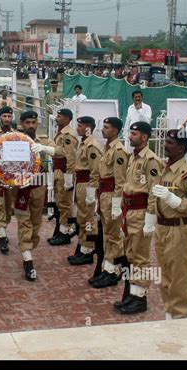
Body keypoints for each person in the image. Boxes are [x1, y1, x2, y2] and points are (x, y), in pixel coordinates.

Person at [152, 129, 187, 319]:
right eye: (166, 141)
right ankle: (170, 312)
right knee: (165, 273)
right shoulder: (166, 168)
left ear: (181, 148)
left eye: (170, 143)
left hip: (179, 229)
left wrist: (175, 201)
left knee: (179, 276)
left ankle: (181, 317)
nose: (165, 145)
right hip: (162, 228)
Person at [114, 122, 162, 315]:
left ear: (144, 137)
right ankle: (133, 295)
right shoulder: (133, 157)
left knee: (140, 257)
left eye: (134, 134)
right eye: (130, 133)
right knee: (131, 255)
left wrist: (150, 220)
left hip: (142, 213)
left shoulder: (151, 160)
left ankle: (140, 298)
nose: (130, 136)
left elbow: (154, 192)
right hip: (129, 211)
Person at [14, 111, 60, 281]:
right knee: (24, 222)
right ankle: (27, 258)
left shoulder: (43, 140)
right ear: (21, 123)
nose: (31, 126)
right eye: (27, 122)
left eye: (33, 122)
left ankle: (28, 248)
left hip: (39, 186)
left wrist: (46, 149)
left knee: (36, 223)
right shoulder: (14, 141)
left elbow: (61, 151)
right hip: (21, 188)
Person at [89, 117, 130, 288]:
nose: (102, 130)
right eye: (103, 126)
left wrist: (116, 205)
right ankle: (107, 268)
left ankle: (113, 272)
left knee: (113, 236)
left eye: (106, 127)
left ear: (115, 130)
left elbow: (120, 181)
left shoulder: (118, 151)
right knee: (107, 234)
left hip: (112, 195)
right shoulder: (107, 148)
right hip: (104, 195)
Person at [68, 116, 103, 266]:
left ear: (88, 128)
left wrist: (91, 192)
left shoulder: (92, 146)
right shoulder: (83, 144)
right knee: (82, 217)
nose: (78, 128)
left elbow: (95, 171)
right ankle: (82, 248)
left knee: (88, 219)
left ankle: (88, 250)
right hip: (81, 183)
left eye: (81, 126)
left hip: (87, 183)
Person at [49, 109, 78, 245]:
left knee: (65, 204)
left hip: (64, 171)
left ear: (67, 118)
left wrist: (68, 178)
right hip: (58, 170)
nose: (56, 118)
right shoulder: (61, 132)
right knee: (60, 202)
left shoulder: (68, 135)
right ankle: (60, 231)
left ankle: (65, 233)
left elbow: (71, 157)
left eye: (59, 116)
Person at [0, 106, 16, 254]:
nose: (6, 119)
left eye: (9, 116)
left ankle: (4, 227)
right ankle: (1, 235)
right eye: (4, 116)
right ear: (0, 117)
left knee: (8, 207)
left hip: (12, 177)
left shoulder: (17, 135)